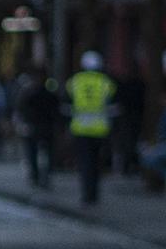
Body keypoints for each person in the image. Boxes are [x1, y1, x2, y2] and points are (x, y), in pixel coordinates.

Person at [66, 50, 116, 206]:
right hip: (100, 129)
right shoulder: (105, 82)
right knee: (96, 163)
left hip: (80, 129)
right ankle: (94, 193)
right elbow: (112, 103)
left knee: (85, 163)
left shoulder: (75, 81)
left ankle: (86, 193)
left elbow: (68, 101)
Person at [20, 70, 63, 190]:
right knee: (45, 153)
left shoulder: (30, 94)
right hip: (45, 127)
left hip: (36, 127)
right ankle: (43, 176)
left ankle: (37, 176)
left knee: (34, 152)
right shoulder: (50, 94)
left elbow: (23, 109)